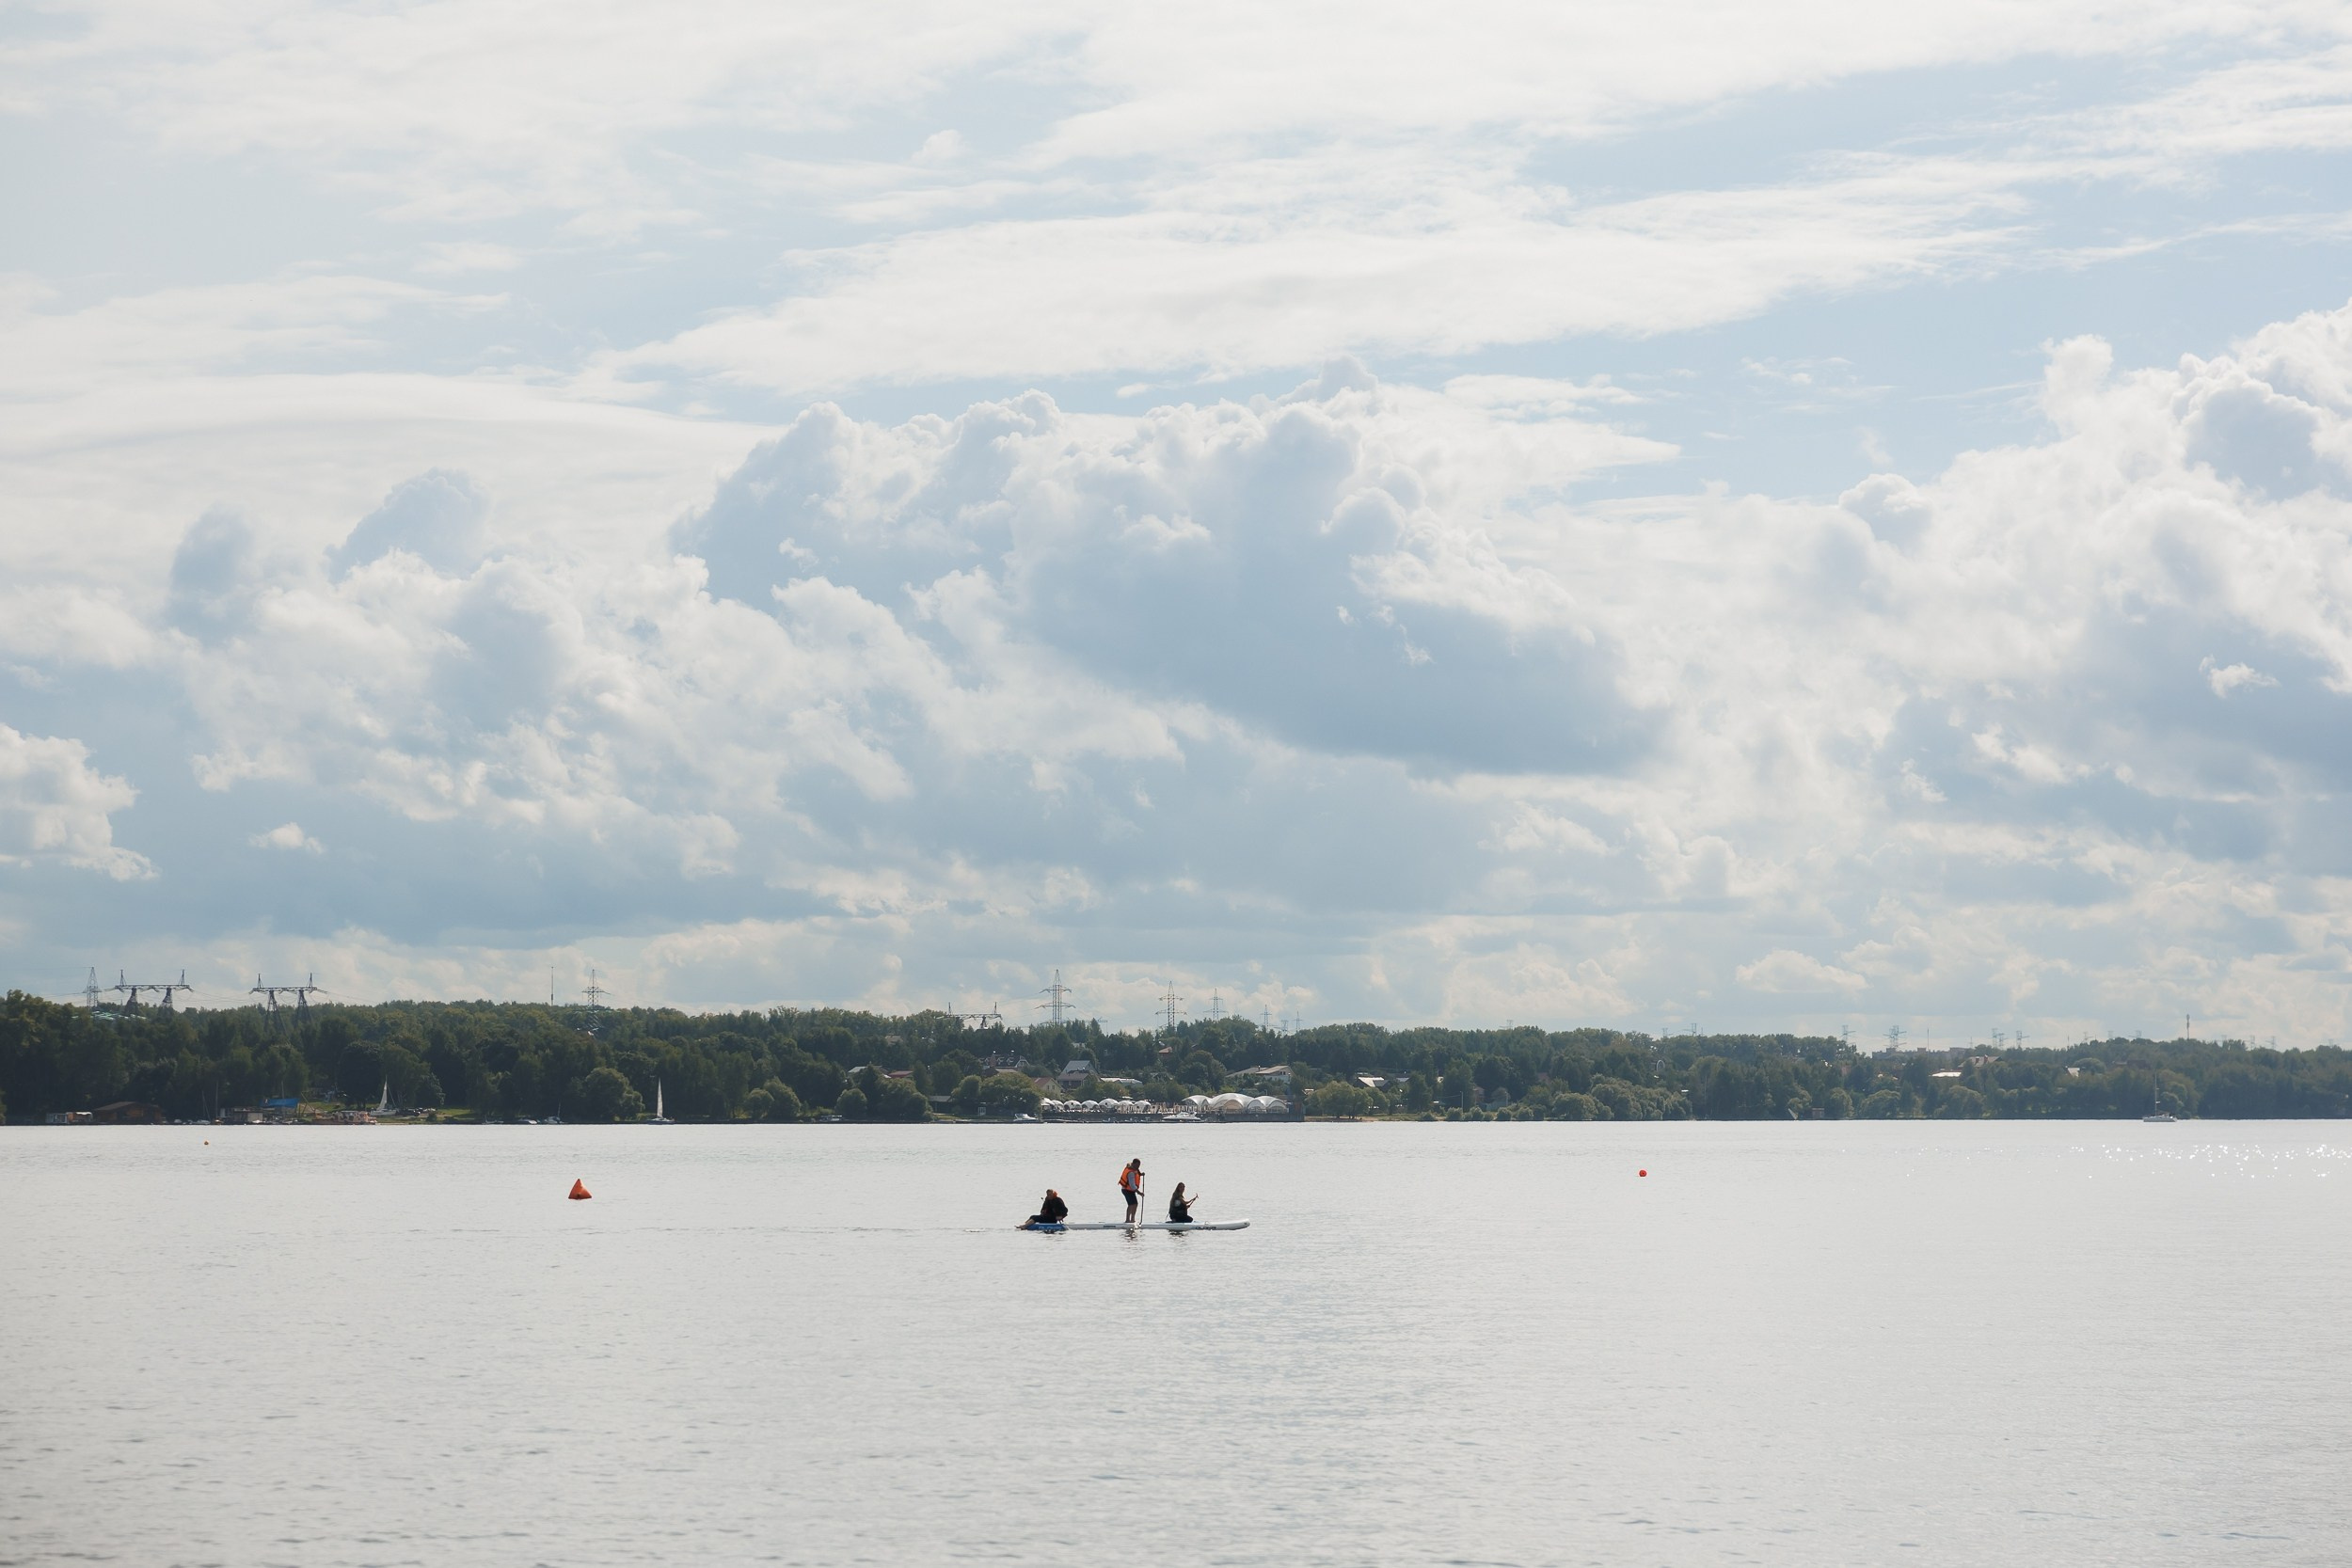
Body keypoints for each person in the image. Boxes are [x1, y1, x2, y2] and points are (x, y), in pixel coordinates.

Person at [1118, 1158, 1144, 1223]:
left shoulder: (1133, 1168)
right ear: (1134, 1164)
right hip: (1127, 1190)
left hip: (1129, 1190)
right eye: (1137, 1165)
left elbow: (1137, 1170)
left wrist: (1140, 1174)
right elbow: (1132, 1186)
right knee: (1132, 1204)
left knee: (1134, 1204)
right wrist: (1140, 1193)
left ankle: (1132, 1219)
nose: (1138, 1167)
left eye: (1139, 1166)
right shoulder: (1131, 1173)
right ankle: (1128, 1220)